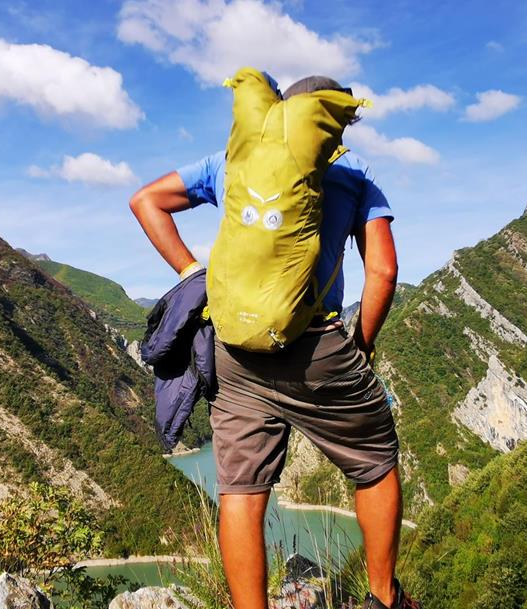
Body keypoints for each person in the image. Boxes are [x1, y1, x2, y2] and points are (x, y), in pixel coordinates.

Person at [129, 75, 414, 609]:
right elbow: (384, 270)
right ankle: (382, 597)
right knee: (375, 462)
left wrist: (193, 273)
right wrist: (364, 343)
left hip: (234, 351)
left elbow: (145, 200)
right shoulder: (353, 173)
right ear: (331, 119)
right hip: (316, 348)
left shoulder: (231, 161)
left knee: (240, 489)